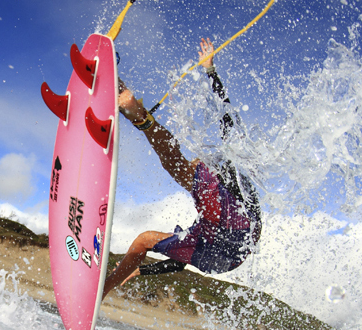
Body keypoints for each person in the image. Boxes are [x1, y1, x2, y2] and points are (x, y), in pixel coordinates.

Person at [102, 37, 262, 298]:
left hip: (237, 225)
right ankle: (103, 291)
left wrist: (211, 71)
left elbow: (227, 119)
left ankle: (135, 111)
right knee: (146, 238)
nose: (199, 160)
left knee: (179, 162)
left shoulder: (206, 228)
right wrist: (142, 271)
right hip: (238, 246)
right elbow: (180, 260)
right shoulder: (203, 247)